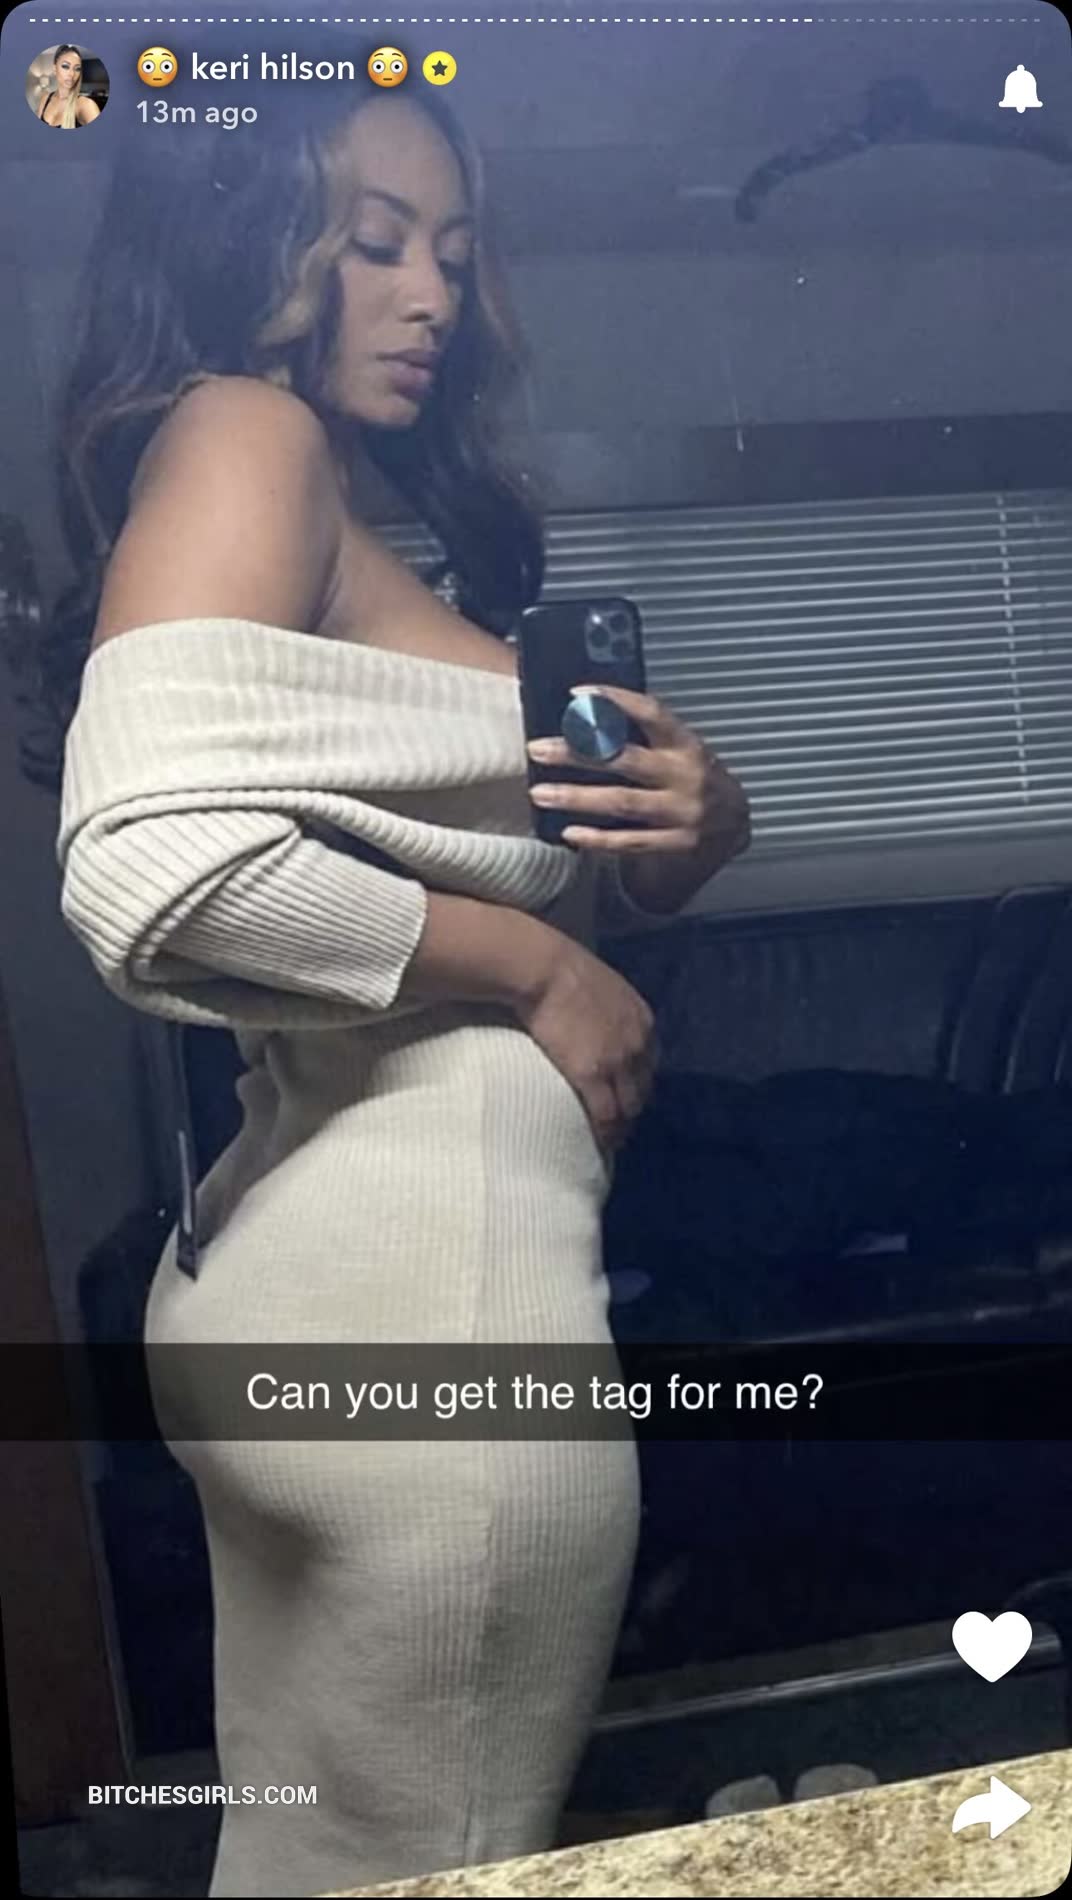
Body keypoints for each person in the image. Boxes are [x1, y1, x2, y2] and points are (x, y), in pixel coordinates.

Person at [36, 78, 749, 1898]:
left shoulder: (343, 517)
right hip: (432, 1314)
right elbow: (148, 873)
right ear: (250, 248)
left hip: (330, 1278)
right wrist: (537, 967)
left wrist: (690, 829)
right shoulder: (248, 430)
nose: (431, 293)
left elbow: (475, 878)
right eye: (370, 245)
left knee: (309, 1860)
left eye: (449, 250)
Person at [34, 45, 101, 128]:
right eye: (65, 66)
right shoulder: (45, 99)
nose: (72, 74)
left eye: (77, 69)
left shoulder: (86, 105)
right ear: (55, 69)